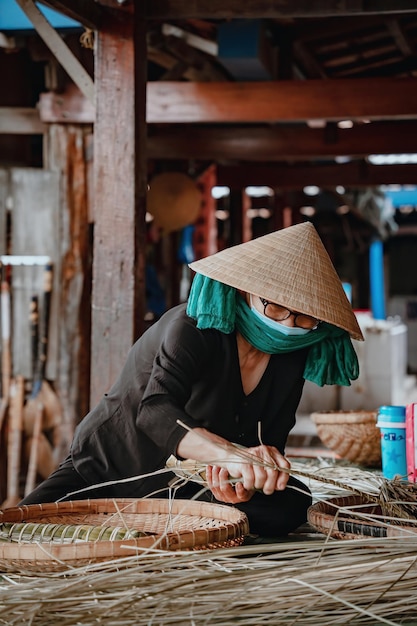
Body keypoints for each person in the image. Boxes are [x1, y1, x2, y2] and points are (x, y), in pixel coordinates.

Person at [19, 222, 363, 538]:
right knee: (20, 528)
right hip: (112, 465)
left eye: (304, 318)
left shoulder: (292, 356)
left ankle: (175, 526)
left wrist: (246, 480)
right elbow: (154, 411)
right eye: (275, 307)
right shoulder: (193, 327)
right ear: (245, 292)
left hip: (188, 488)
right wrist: (226, 455)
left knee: (293, 500)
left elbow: (268, 443)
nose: (288, 325)